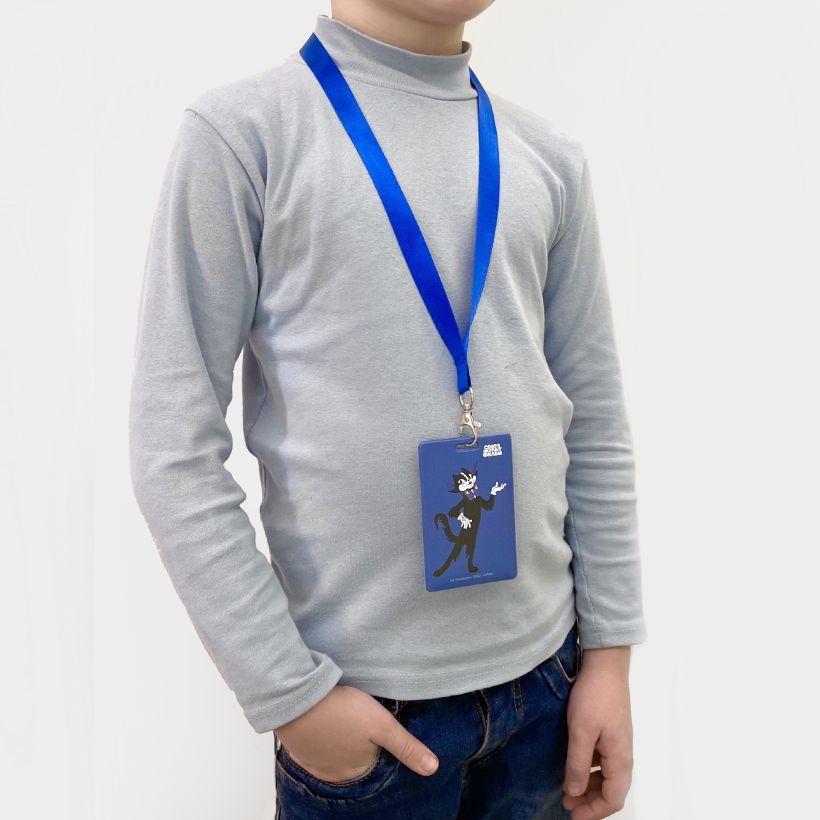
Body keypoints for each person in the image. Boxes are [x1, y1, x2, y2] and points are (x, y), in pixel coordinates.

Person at [128, 2, 647, 818]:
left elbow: (597, 422)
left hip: (550, 687)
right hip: (365, 713)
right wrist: (291, 694)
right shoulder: (243, 136)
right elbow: (172, 445)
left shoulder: (547, 156)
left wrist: (609, 656)